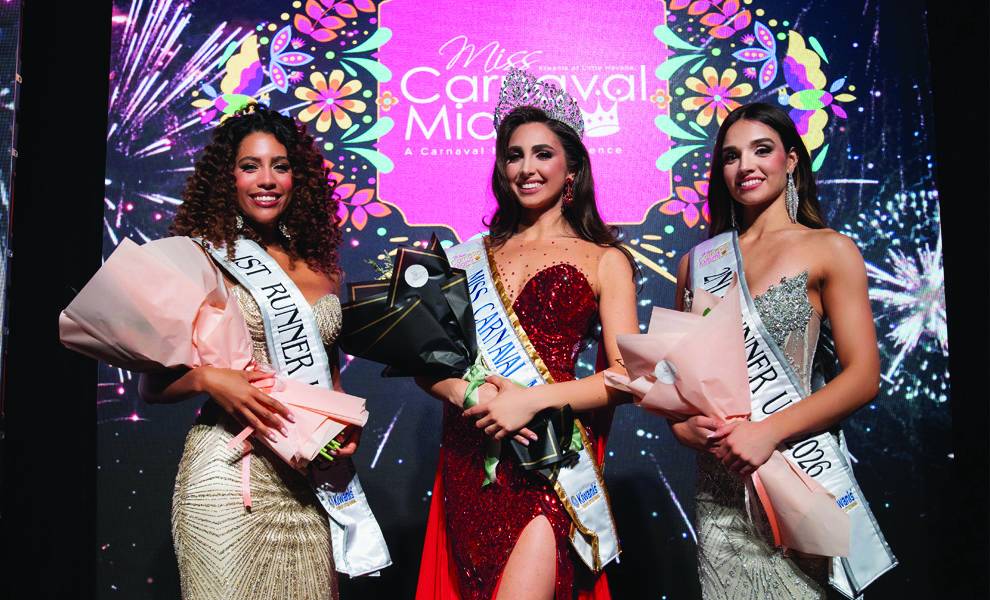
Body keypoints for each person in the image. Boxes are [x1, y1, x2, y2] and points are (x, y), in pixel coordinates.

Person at [415, 70, 639, 600]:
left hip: (548, 458)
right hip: (471, 453)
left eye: (543, 154)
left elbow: (627, 377)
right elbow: (428, 362)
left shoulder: (605, 260)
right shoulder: (467, 256)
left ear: (572, 169)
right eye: (513, 155)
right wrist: (471, 393)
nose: (526, 168)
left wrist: (531, 401)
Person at [139, 105, 360, 600]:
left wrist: (345, 430)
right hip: (226, 473)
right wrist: (210, 379)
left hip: (304, 480)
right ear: (228, 177)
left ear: (296, 178)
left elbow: (331, 378)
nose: (267, 180)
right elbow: (150, 385)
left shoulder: (322, 267)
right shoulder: (201, 257)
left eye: (280, 166)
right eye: (250, 166)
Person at [671, 102, 883, 598]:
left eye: (761, 150)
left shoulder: (829, 248)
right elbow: (675, 384)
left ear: (791, 160)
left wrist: (768, 431)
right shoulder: (699, 262)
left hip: (796, 471)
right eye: (731, 156)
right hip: (721, 485)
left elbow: (863, 376)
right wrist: (682, 426)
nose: (745, 166)